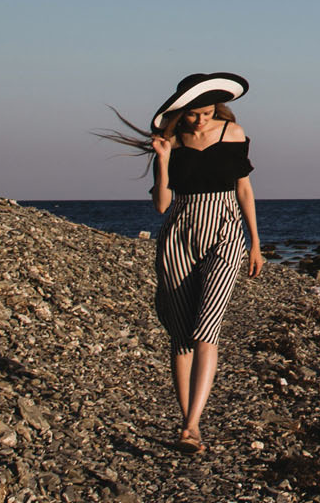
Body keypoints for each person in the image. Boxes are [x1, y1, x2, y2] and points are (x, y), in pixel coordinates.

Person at [104, 71, 262, 451]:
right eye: (193, 114)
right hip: (179, 233)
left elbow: (244, 189)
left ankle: (192, 425)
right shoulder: (171, 144)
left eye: (207, 112)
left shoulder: (234, 135)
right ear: (182, 112)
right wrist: (161, 160)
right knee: (181, 335)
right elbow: (161, 205)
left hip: (225, 231)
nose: (201, 119)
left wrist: (255, 243)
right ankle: (186, 422)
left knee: (207, 328)